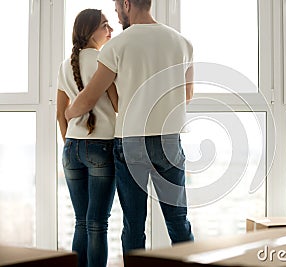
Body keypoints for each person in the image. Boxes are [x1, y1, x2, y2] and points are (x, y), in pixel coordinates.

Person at [65, 0, 194, 257]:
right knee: (178, 221)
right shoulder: (182, 43)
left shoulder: (116, 46)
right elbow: (187, 96)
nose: (117, 16)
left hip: (131, 141)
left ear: (126, 4)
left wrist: (69, 112)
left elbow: (90, 96)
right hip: (168, 140)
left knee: (134, 226)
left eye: (116, 10)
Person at [56, 8, 118, 267]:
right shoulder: (105, 61)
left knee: (81, 221)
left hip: (71, 149)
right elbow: (116, 104)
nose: (110, 30)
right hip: (101, 147)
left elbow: (61, 114)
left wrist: (72, 143)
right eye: (105, 25)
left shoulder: (64, 65)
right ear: (90, 30)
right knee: (97, 224)